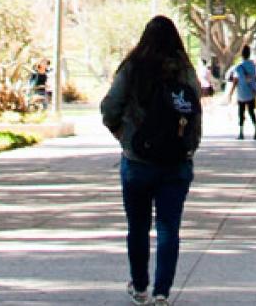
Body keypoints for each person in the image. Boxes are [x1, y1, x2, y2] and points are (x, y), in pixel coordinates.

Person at [100, 16, 202, 306]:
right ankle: (162, 292)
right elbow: (195, 115)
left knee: (138, 227)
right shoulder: (185, 71)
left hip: (137, 161)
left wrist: (124, 137)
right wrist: (188, 149)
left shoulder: (132, 68)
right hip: (176, 163)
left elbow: (110, 108)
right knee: (169, 228)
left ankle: (140, 286)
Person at [232, 45, 256, 140]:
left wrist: (231, 92)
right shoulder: (253, 66)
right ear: (249, 54)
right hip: (251, 92)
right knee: (252, 111)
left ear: (242, 54)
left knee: (241, 112)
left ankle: (241, 132)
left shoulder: (239, 67)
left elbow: (235, 80)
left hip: (241, 92)